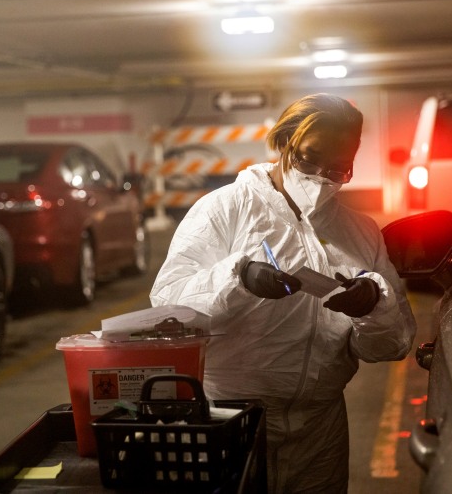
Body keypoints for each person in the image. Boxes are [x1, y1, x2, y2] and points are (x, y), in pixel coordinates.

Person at [150, 93, 417, 493]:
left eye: (339, 168)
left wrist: (374, 306)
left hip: (319, 429)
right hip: (230, 421)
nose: (321, 176)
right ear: (285, 142)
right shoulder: (225, 209)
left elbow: (391, 346)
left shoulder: (360, 232)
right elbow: (169, 306)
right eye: (309, 158)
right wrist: (239, 280)